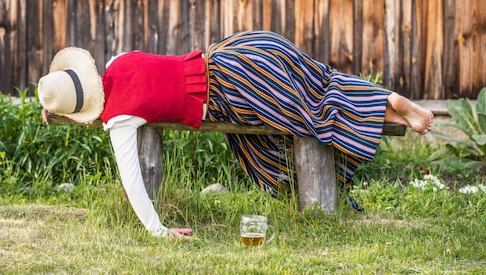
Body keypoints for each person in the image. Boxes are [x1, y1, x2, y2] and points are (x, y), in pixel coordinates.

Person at [37, 31, 433, 240]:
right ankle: (388, 99)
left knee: (312, 117)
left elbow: (133, 181)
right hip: (240, 52)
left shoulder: (120, 120)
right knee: (320, 84)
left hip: (239, 91)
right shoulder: (119, 61)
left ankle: (385, 107)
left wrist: (158, 231)